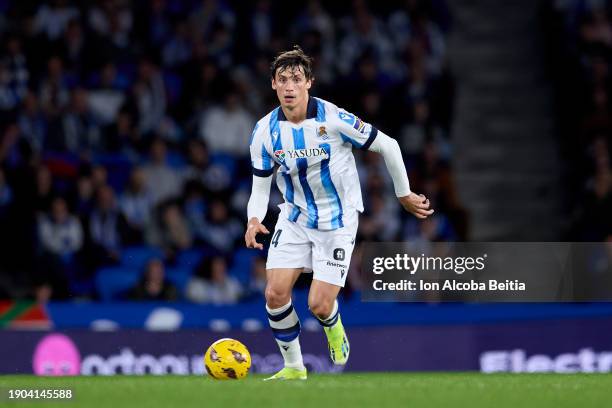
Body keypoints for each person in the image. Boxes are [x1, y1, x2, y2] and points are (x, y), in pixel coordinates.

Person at [245, 46, 434, 380]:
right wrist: (254, 218)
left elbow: (388, 144)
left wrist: (403, 193)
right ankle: (293, 368)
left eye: (297, 79)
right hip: (295, 218)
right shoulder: (264, 132)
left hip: (338, 220)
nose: (290, 86)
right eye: (283, 79)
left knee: (319, 303)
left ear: (309, 84)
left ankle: (332, 324)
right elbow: (261, 186)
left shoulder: (333, 118)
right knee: (274, 293)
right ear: (273, 84)